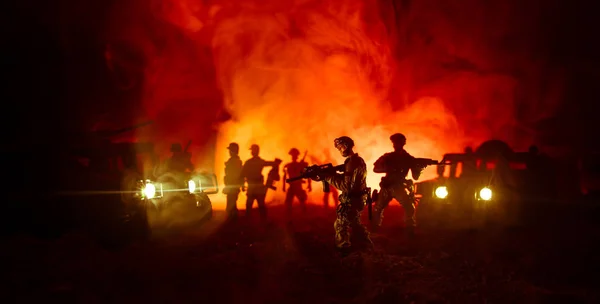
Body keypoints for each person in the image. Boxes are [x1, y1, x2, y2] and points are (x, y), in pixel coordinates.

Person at [313, 136, 372, 250]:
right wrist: (332, 175)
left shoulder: (352, 163)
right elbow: (348, 180)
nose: (339, 150)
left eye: (339, 148)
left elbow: (346, 186)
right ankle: (367, 246)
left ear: (345, 146)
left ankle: (343, 249)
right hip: (358, 198)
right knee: (355, 224)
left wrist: (329, 177)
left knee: (340, 225)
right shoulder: (356, 160)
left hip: (353, 199)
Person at [372, 133, 425, 236]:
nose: (395, 145)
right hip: (387, 186)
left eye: (398, 142)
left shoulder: (409, 159)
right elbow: (376, 169)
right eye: (394, 142)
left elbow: (415, 177)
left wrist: (419, 168)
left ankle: (410, 229)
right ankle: (375, 229)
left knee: (409, 207)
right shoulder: (388, 157)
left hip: (399, 187)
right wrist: (388, 167)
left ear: (403, 143)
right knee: (378, 208)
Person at [241, 144, 281, 221]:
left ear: (253, 152)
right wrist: (275, 165)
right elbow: (272, 164)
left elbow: (242, 174)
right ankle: (263, 221)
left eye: (252, 150)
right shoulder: (260, 162)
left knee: (249, 205)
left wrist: (242, 185)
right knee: (260, 205)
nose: (252, 152)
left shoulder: (248, 162)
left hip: (252, 187)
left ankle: (249, 221)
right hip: (258, 187)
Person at [282, 148, 311, 217]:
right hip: (292, 186)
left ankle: (305, 216)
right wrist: (283, 186)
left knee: (302, 202)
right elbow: (284, 176)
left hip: (298, 186)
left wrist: (310, 184)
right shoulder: (288, 165)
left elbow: (308, 174)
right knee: (288, 202)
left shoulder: (301, 165)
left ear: (297, 156)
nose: (293, 156)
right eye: (292, 155)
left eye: (295, 155)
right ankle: (289, 217)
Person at [223, 143, 243, 220]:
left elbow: (233, 175)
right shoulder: (236, 161)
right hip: (233, 186)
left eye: (230, 150)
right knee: (232, 204)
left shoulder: (234, 161)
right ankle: (233, 220)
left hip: (232, 186)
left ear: (233, 151)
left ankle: (233, 221)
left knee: (231, 205)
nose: (229, 152)